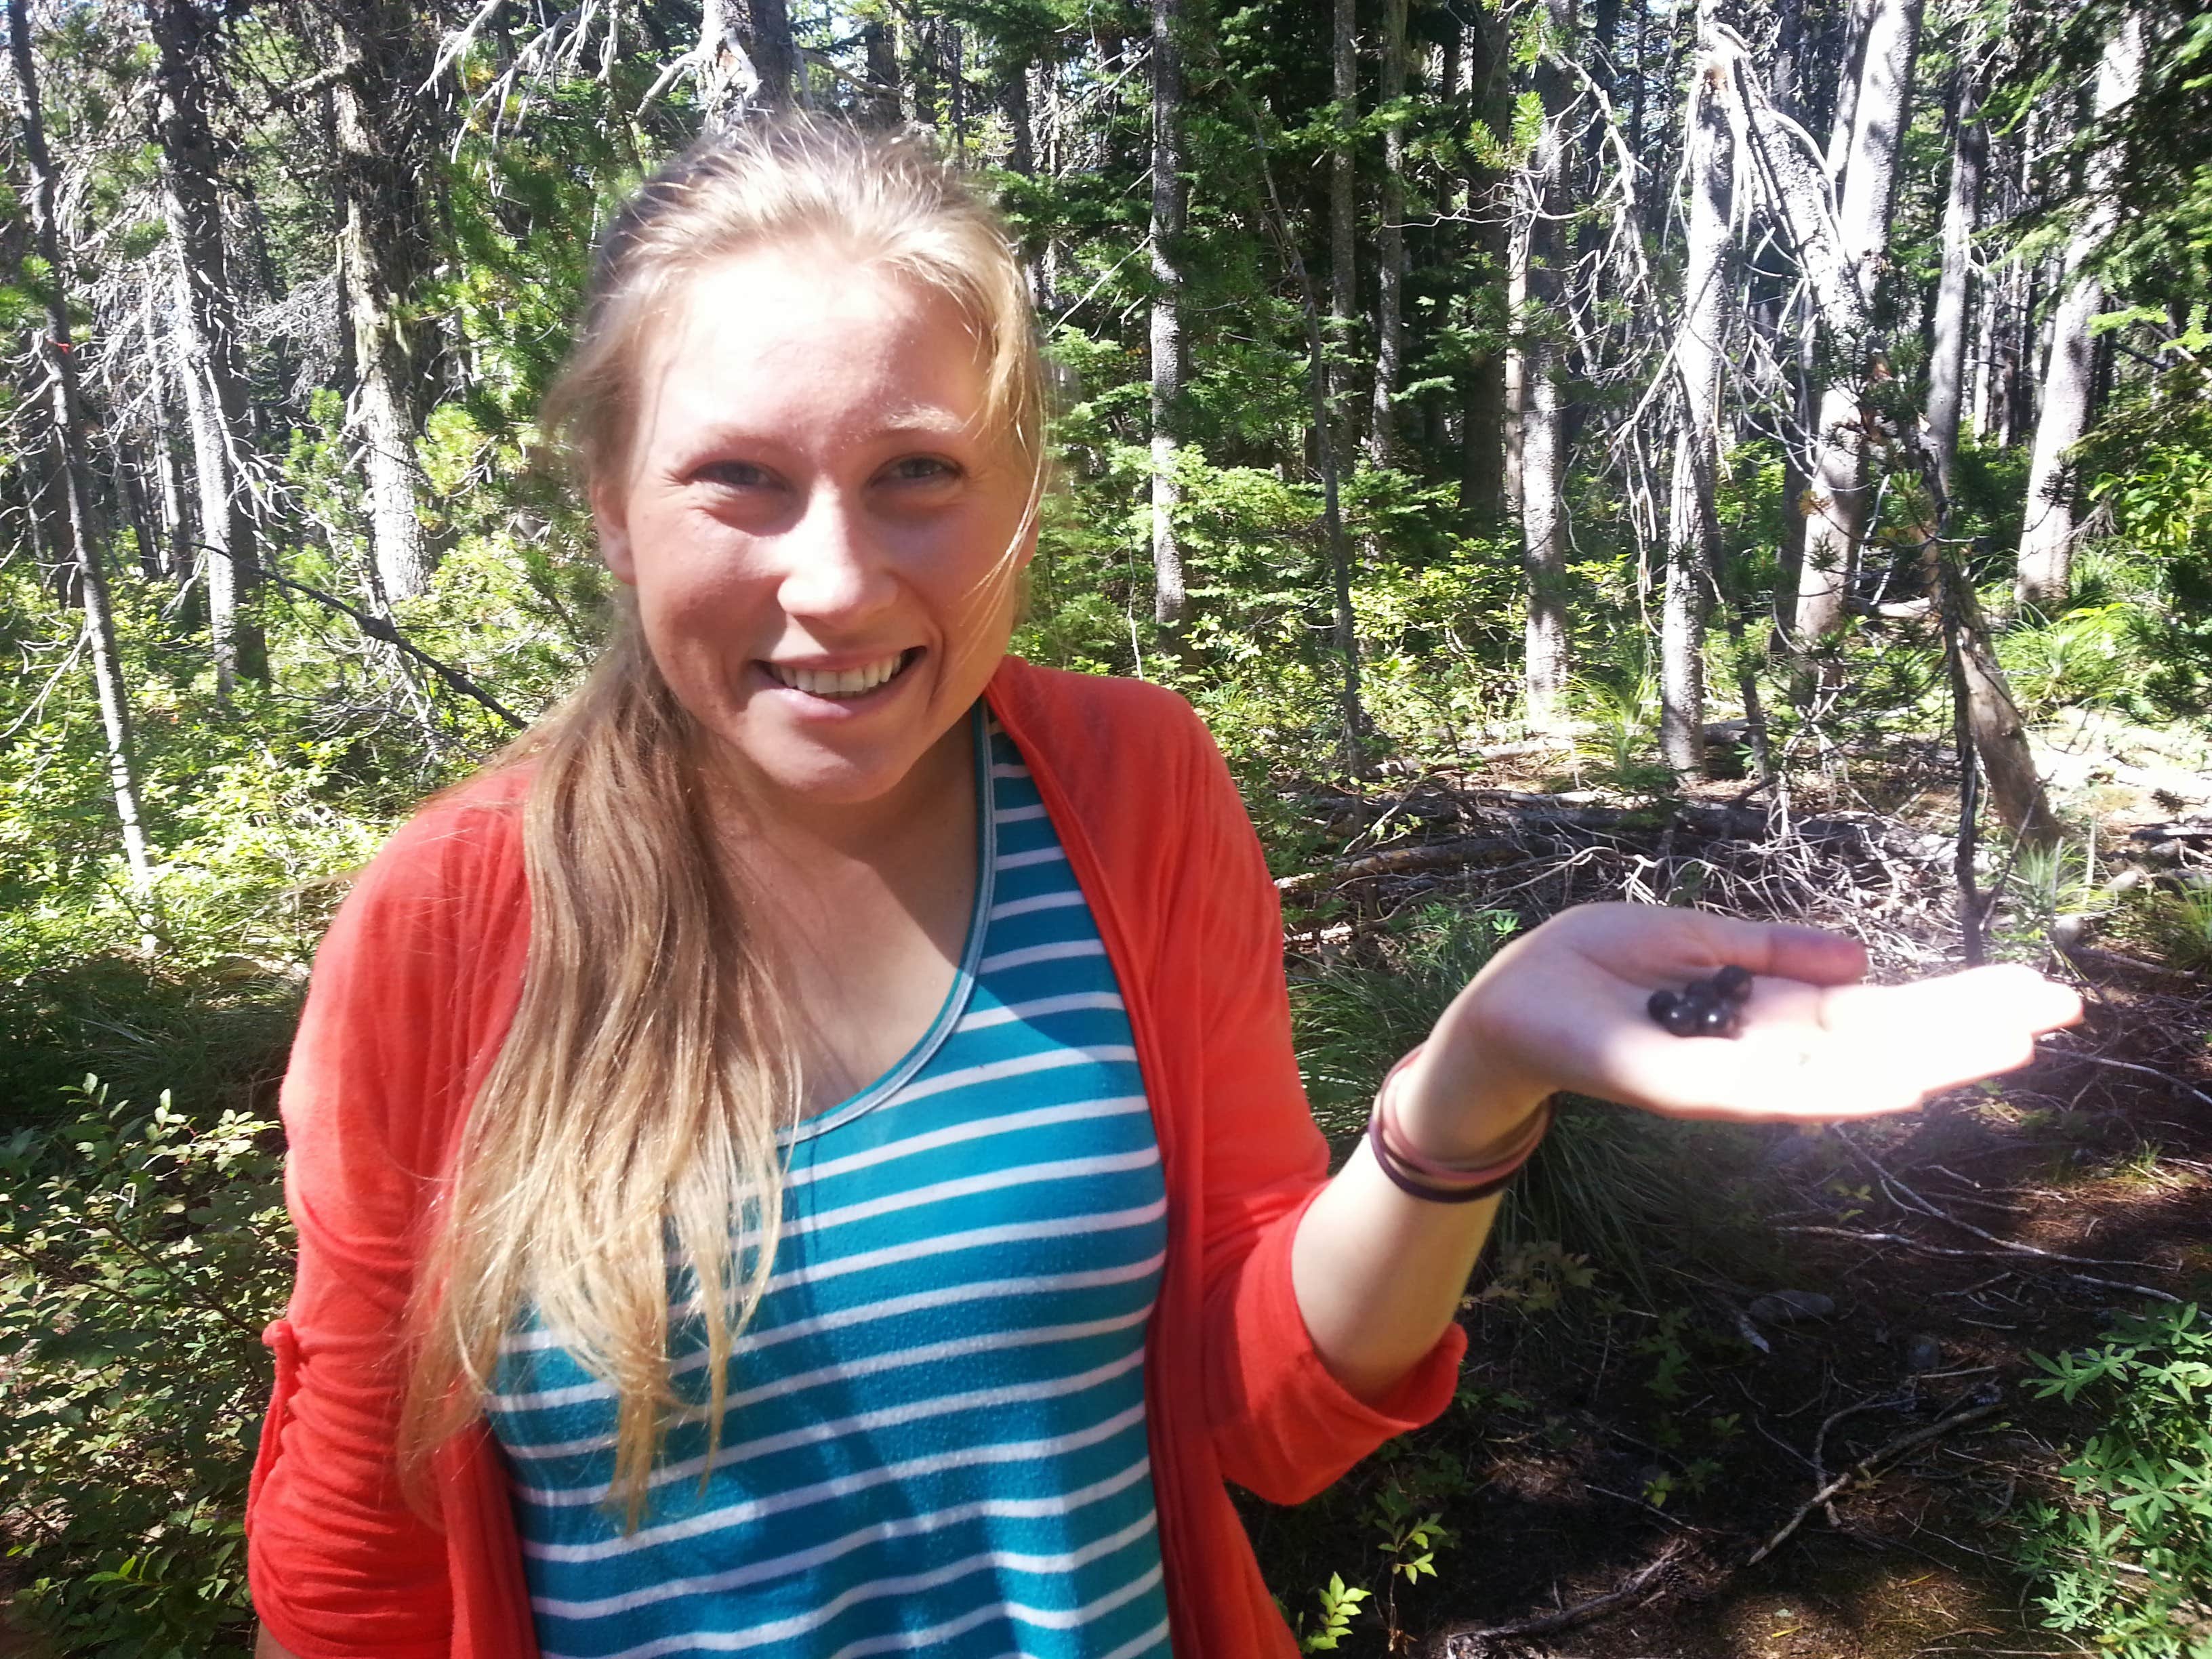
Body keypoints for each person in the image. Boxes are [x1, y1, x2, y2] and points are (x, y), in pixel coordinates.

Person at [244, 118, 2082, 1659]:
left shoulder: (1127, 794)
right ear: (607, 498)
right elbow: (356, 1553)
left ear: (1019, 493)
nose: (837, 582)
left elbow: (1260, 1407)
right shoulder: (452, 919)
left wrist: (1472, 1087)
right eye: (737, 480)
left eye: (917, 475)